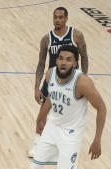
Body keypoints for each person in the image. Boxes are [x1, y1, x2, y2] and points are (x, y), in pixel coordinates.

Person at [24, 44, 107, 169]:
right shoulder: (50, 74)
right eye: (61, 58)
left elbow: (102, 107)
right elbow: (51, 97)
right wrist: (40, 118)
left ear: (75, 63)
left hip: (71, 135)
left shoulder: (83, 83)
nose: (63, 62)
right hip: (53, 127)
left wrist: (97, 139)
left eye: (69, 59)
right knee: (34, 168)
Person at [31, 7, 89, 155]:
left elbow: (84, 56)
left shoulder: (77, 35)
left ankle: (63, 146)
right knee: (43, 111)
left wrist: (83, 78)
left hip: (70, 82)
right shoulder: (46, 39)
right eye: (55, 17)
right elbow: (41, 63)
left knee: (67, 115)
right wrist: (36, 87)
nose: (57, 20)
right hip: (51, 80)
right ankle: (38, 143)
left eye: (61, 17)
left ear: (66, 18)